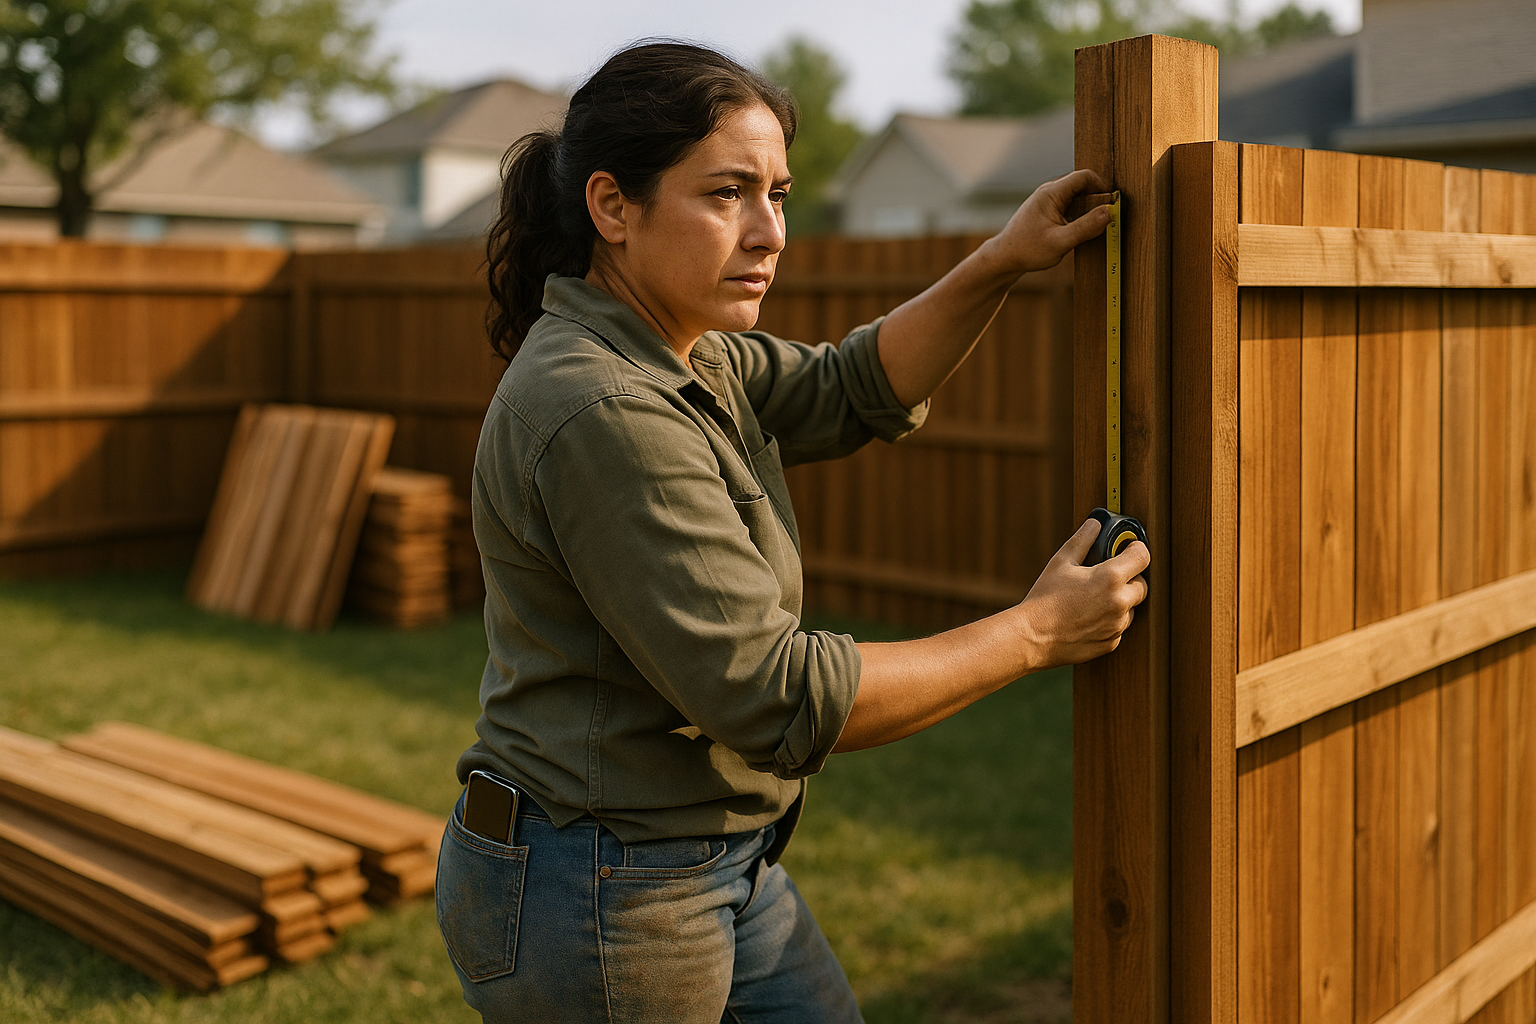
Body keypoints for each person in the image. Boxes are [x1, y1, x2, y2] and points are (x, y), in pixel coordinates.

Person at [435, 40, 1149, 1024]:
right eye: (727, 193)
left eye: (777, 194)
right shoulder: (606, 406)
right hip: (601, 890)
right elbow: (773, 694)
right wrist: (1035, 632)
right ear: (612, 207)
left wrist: (1003, 259)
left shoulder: (687, 353)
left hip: (707, 861)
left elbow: (854, 387)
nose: (770, 231)